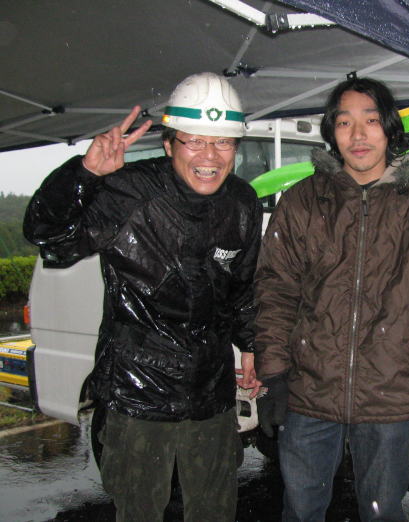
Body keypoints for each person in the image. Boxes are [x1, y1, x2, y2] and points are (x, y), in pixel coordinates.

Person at [23, 72, 262, 522]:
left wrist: (251, 344)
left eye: (224, 142)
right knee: (139, 511)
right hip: (138, 392)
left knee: (215, 509)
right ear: (169, 144)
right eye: (195, 141)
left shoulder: (241, 202)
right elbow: (48, 236)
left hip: (210, 391)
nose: (210, 156)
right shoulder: (129, 191)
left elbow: (243, 284)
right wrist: (84, 174)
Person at [253, 76, 409, 521]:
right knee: (300, 510)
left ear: (389, 129)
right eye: (345, 122)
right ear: (332, 132)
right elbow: (275, 290)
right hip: (309, 388)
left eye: (371, 121)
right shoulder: (303, 201)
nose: (358, 135)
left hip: (387, 387)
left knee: (382, 512)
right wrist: (275, 375)